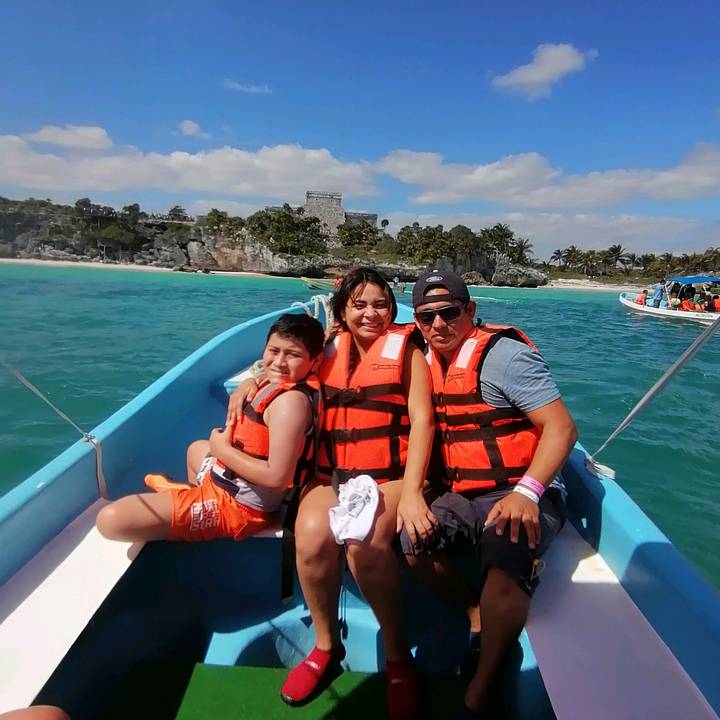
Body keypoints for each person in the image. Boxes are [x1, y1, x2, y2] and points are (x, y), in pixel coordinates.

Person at [229, 268, 434, 720]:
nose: (371, 314)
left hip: (390, 477)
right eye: (359, 305)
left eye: (380, 304)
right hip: (332, 475)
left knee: (364, 543)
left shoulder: (408, 352)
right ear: (342, 310)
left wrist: (413, 491)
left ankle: (397, 655)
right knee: (310, 534)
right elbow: (283, 369)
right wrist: (251, 381)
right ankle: (326, 647)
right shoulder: (327, 348)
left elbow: (423, 421)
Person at [402, 271, 577, 719]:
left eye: (449, 312)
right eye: (426, 317)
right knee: (412, 542)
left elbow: (561, 429)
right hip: (463, 492)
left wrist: (527, 492)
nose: (438, 324)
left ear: (470, 310)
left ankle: (480, 688)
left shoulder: (505, 357)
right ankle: (474, 611)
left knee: (505, 546)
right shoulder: (424, 357)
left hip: (522, 487)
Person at [96, 314, 324, 544]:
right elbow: (265, 372)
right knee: (196, 448)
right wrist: (249, 382)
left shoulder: (289, 404)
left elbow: (277, 478)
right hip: (228, 480)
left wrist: (221, 450)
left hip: (239, 507)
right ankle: (190, 496)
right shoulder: (280, 381)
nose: (279, 362)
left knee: (111, 520)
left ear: (315, 361)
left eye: (293, 355)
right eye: (274, 351)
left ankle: (190, 504)